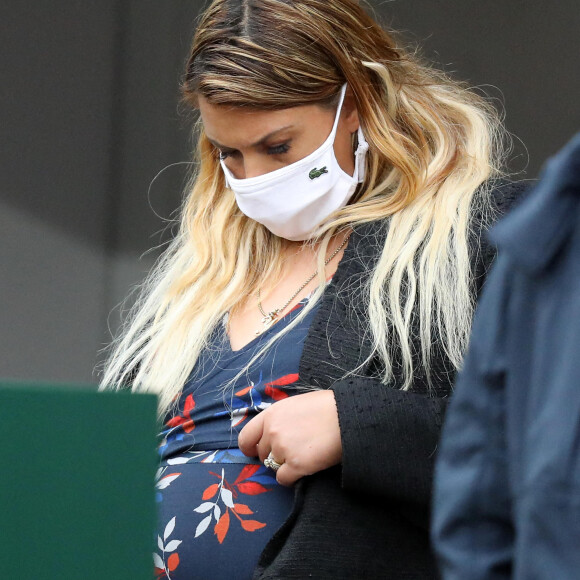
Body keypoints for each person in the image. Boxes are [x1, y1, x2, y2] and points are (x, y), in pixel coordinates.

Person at [100, 1, 524, 578]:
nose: (253, 179)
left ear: (358, 103)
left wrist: (358, 426)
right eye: (230, 153)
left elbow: (547, 442)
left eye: (278, 147)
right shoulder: (202, 272)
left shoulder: (485, 235)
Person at [432, 133, 580, 580]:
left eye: (279, 146)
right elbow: (479, 491)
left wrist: (356, 428)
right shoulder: (556, 217)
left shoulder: (486, 222)